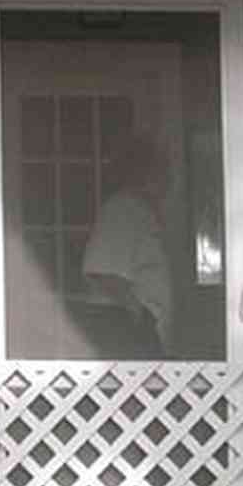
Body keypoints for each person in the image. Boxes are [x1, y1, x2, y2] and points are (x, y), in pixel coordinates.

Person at [81, 130, 171, 358]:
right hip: (126, 330)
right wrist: (139, 315)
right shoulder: (123, 209)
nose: (167, 177)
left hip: (141, 328)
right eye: (160, 168)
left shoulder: (143, 210)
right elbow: (101, 272)